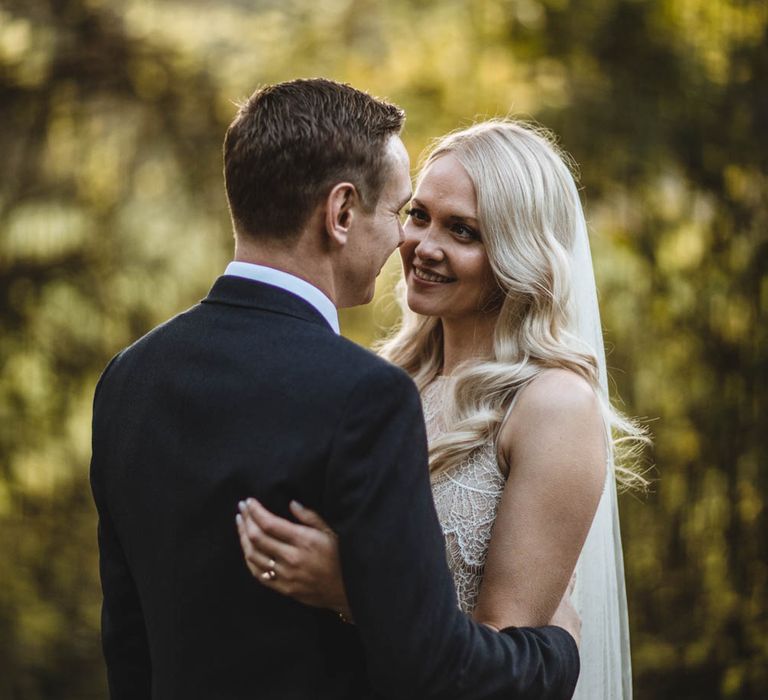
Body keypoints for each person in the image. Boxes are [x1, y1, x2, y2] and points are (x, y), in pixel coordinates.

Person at [90, 79, 581, 700]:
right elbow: (433, 668)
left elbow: (127, 642)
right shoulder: (368, 396)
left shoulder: (129, 378)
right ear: (342, 213)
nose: (409, 241)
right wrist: (557, 651)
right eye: (404, 212)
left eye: (459, 229)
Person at [237, 119, 648, 698]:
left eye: (463, 231)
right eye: (418, 215)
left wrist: (350, 587)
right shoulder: (387, 381)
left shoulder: (550, 405)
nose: (424, 247)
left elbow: (503, 666)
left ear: (517, 252)